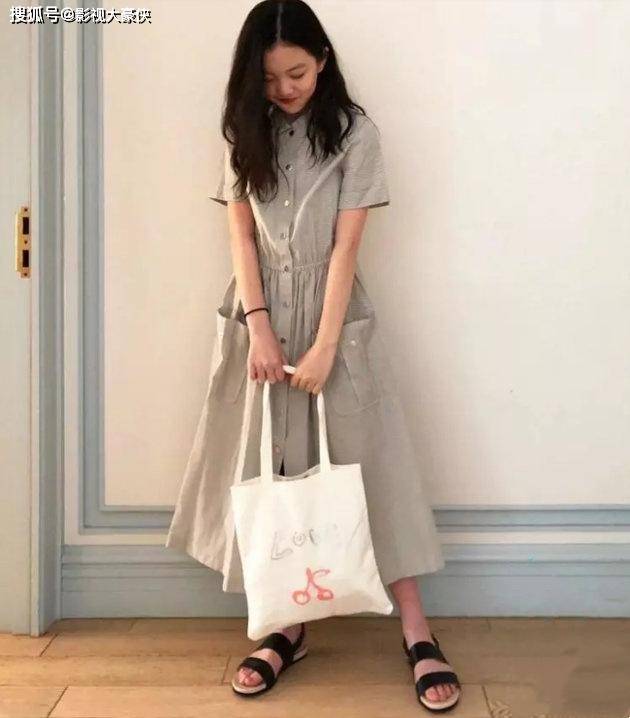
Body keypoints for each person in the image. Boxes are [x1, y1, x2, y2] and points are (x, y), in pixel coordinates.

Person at [165, 0, 461, 711]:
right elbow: (241, 237)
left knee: (372, 464)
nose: (285, 89)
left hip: (335, 317)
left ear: (322, 61)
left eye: (296, 72)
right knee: (274, 467)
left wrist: (326, 344)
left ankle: (416, 630)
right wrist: (259, 327)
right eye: (270, 78)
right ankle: (286, 625)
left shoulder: (356, 134)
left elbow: (345, 249)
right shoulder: (245, 131)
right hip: (260, 315)